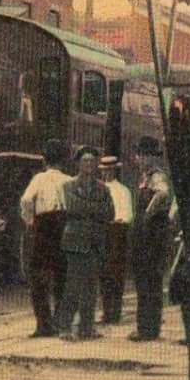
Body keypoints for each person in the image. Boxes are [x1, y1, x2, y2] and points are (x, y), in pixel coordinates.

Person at [55, 146, 114, 341]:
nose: (89, 164)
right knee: (72, 285)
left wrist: (87, 209)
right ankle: (64, 327)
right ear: (78, 163)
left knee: (91, 286)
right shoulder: (68, 186)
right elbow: (73, 208)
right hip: (75, 241)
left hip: (95, 241)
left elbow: (110, 213)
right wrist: (96, 208)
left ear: (96, 164)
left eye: (92, 160)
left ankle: (86, 328)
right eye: (85, 160)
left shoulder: (103, 188)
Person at [18, 138, 70, 337]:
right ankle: (61, 321)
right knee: (61, 274)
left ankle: (44, 324)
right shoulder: (69, 180)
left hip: (44, 227)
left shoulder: (39, 179)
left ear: (44, 160)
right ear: (63, 160)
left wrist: (30, 221)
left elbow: (26, 200)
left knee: (38, 275)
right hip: (64, 225)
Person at [129, 136, 174, 341]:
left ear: (148, 157)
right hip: (148, 235)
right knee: (147, 281)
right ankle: (148, 327)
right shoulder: (147, 177)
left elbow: (163, 193)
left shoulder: (156, 176)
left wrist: (147, 213)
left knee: (148, 281)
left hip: (152, 235)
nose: (138, 159)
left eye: (140, 155)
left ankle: (147, 329)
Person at [98, 156, 135, 324]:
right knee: (104, 273)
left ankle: (116, 312)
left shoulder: (123, 190)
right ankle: (107, 312)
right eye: (105, 170)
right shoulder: (98, 188)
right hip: (102, 232)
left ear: (114, 171)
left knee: (117, 272)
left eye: (110, 170)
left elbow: (127, 214)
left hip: (118, 232)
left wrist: (118, 222)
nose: (107, 173)